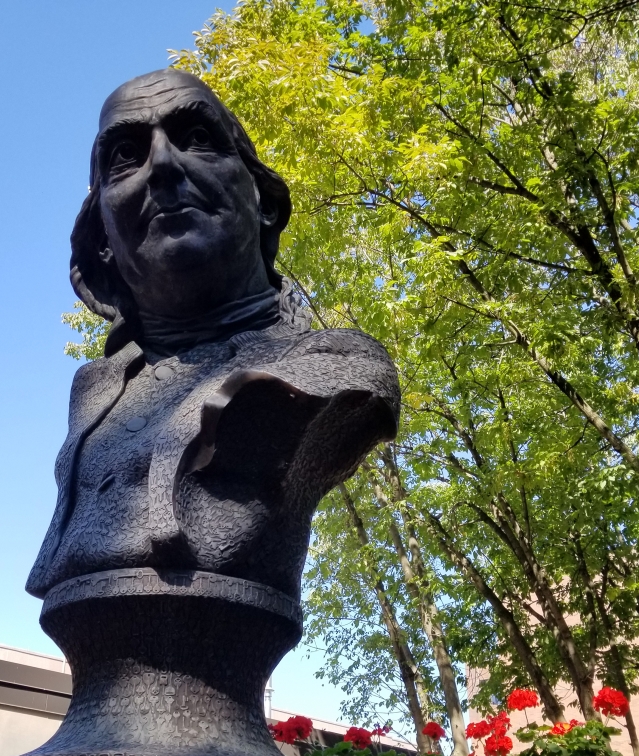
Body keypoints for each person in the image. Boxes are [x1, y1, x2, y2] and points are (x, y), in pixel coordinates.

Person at [25, 68, 400, 603]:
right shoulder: (94, 394)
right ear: (102, 239)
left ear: (264, 202)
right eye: (125, 156)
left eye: (198, 139)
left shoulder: (339, 366)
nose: (161, 166)